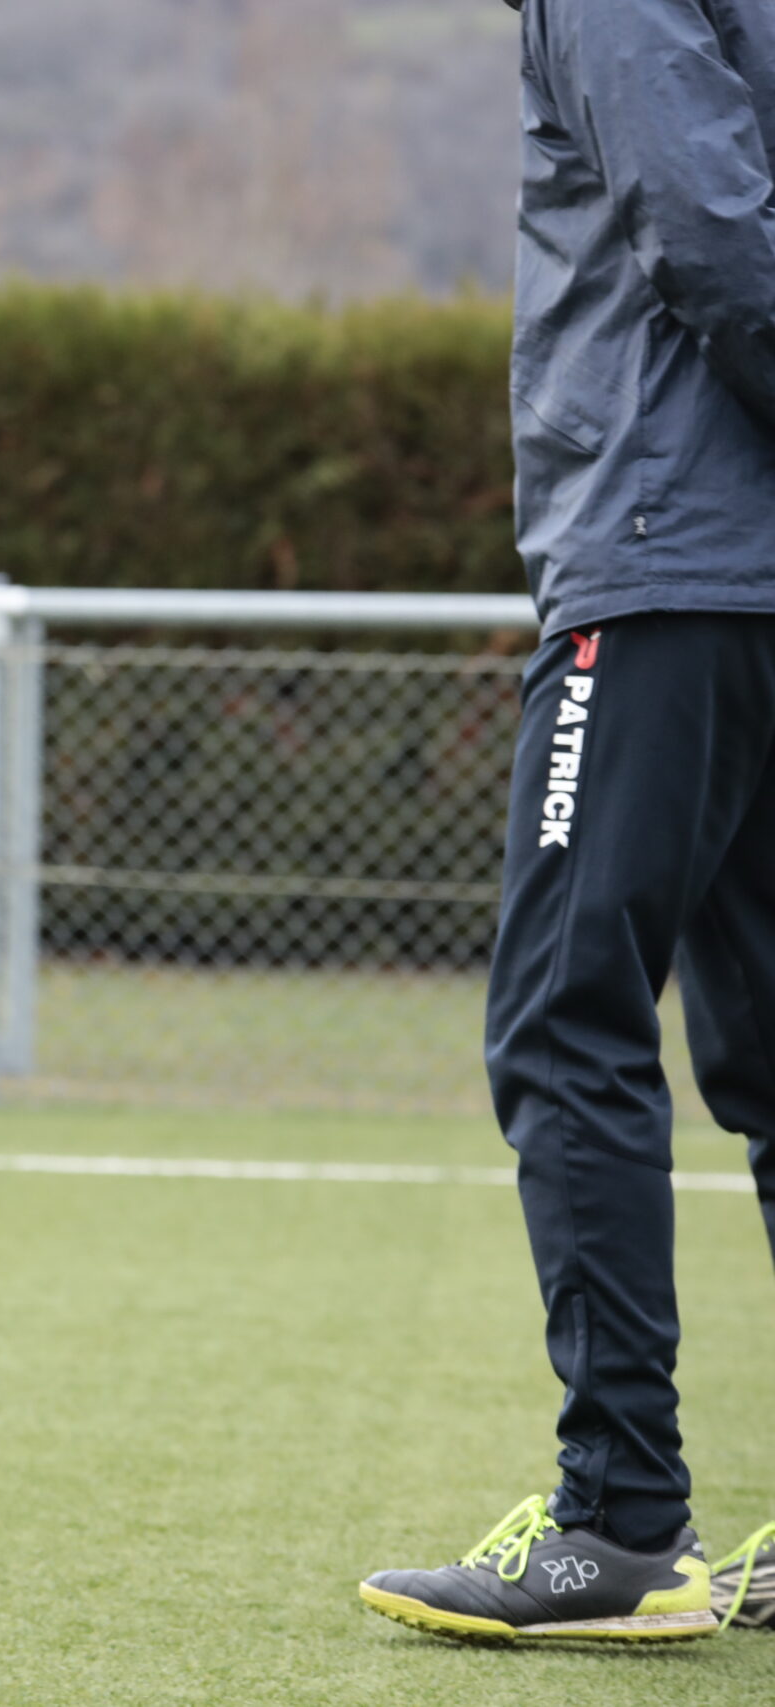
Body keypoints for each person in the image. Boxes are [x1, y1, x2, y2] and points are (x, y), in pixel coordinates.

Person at [358, 0, 775, 1643]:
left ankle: (620, 1522)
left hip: (667, 563)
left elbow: (709, 225)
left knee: (565, 1016)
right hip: (734, 575)